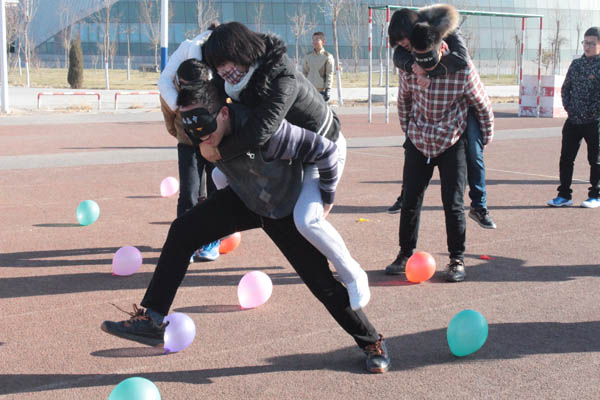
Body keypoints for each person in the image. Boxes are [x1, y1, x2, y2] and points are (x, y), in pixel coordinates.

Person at [101, 80, 390, 374]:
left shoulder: (266, 130)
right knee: (182, 232)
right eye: (194, 130)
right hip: (244, 199)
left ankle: (371, 341)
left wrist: (325, 198)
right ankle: (152, 319)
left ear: (224, 113)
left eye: (205, 127)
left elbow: (325, 150)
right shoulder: (204, 135)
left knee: (321, 282)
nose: (202, 136)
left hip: (284, 208)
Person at [201, 22, 370, 310]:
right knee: (220, 176)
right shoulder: (231, 79)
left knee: (308, 219)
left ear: (242, 52)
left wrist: (217, 150)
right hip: (287, 153)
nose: (222, 72)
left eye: (225, 64)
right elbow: (209, 100)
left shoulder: (281, 75)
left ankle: (353, 274)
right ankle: (234, 222)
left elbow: (261, 131)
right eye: (216, 67)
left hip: (322, 150)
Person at [384, 12, 494, 282]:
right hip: (419, 138)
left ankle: (457, 259)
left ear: (441, 49)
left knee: (453, 203)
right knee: (410, 199)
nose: (424, 68)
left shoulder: (462, 69)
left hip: (451, 140)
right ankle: (405, 254)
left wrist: (484, 137)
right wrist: (409, 132)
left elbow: (482, 104)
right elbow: (404, 100)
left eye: (429, 62)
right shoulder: (409, 66)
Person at [157, 24, 222, 261]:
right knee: (188, 193)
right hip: (187, 145)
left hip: (215, 144)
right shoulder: (171, 86)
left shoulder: (215, 82)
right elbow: (169, 118)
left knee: (216, 193)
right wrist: (184, 135)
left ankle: (212, 242)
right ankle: (184, 243)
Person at [547, 26, 600, 209]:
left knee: (595, 160)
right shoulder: (576, 64)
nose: (587, 46)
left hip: (594, 122)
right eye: (585, 42)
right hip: (573, 120)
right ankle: (564, 195)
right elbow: (566, 88)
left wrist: (593, 111)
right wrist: (569, 108)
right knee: (566, 159)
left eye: (592, 43)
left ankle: (595, 195)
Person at [302, 32, 335, 102]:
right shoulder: (307, 56)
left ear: (323, 42)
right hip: (309, 89)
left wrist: (328, 89)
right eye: (313, 39)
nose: (314, 42)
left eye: (317, 39)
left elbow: (329, 74)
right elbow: (304, 72)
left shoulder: (327, 57)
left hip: (321, 90)